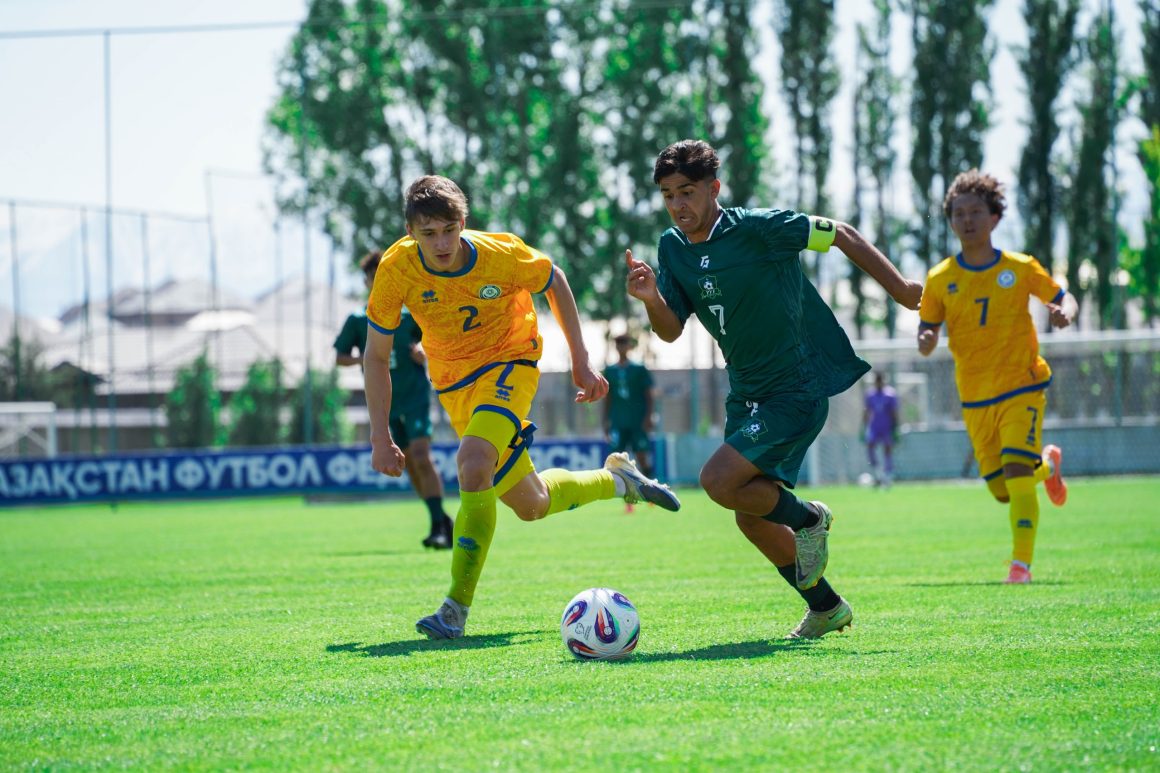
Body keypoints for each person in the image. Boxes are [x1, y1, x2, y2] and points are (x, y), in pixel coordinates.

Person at [626, 139, 923, 639]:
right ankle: (826, 607)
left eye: (688, 192)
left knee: (718, 481)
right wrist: (651, 296)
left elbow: (843, 234)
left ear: (714, 189)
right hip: (746, 394)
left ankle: (809, 519)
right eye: (668, 194)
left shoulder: (760, 228)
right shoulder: (672, 247)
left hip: (796, 387)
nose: (679, 205)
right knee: (750, 515)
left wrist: (901, 291)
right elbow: (671, 330)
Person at [365, 175, 680, 640]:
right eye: (428, 234)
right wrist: (378, 434)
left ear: (463, 222)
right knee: (532, 504)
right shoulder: (397, 269)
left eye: (449, 229)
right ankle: (619, 481)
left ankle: (454, 609)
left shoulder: (500, 254)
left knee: (473, 462)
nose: (441, 243)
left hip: (511, 363)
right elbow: (375, 355)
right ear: (411, 233)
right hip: (454, 387)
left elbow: (555, 280)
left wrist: (580, 361)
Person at [917, 169, 1074, 585]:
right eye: (959, 213)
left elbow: (1062, 296)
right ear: (951, 220)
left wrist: (1065, 313)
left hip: (1022, 384)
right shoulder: (940, 279)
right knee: (1003, 489)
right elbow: (927, 326)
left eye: (976, 212)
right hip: (975, 396)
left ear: (995, 218)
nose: (967, 220)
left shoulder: (1021, 268)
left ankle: (1020, 566)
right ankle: (1049, 467)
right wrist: (927, 337)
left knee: (1017, 472)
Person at [335, 251, 454, 549]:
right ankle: (439, 518)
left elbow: (436, 339)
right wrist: (365, 359)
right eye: (373, 278)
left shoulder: (409, 315)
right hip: (386, 404)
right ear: (366, 282)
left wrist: (423, 353)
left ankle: (440, 526)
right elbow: (339, 357)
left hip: (413, 397)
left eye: (383, 277)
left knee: (421, 456)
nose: (378, 283)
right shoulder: (359, 320)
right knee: (408, 464)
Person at [602, 334, 657, 504]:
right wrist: (605, 420)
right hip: (618, 420)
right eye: (618, 343)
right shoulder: (609, 371)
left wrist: (648, 417)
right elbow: (608, 397)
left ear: (629, 346)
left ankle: (653, 493)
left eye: (624, 343)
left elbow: (649, 395)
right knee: (618, 460)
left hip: (637, 420)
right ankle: (627, 498)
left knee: (641, 456)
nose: (621, 346)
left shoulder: (639, 369)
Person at [862, 371, 899, 488]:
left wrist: (896, 427)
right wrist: (863, 427)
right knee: (870, 446)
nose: (878, 383)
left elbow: (894, 412)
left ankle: (887, 475)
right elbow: (867, 411)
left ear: (883, 381)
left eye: (880, 381)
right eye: (876, 381)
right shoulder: (870, 394)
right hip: (874, 426)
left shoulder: (890, 394)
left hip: (887, 427)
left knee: (887, 449)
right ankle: (877, 473)